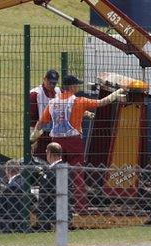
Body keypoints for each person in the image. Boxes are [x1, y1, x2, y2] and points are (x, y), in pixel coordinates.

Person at [30, 74, 126, 211]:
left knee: (55, 174)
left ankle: (54, 206)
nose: (78, 87)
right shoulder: (79, 101)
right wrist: (118, 92)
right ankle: (81, 207)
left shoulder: (52, 103)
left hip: (56, 142)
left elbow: (41, 123)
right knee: (78, 175)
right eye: (77, 85)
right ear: (73, 87)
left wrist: (33, 138)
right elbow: (101, 103)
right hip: (73, 142)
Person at [37, 142, 71, 231]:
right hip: (63, 208)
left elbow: (46, 192)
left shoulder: (52, 171)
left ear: (49, 153)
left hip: (50, 211)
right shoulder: (67, 168)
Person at [30, 69, 61, 161]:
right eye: (50, 82)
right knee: (39, 159)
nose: (52, 85)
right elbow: (31, 118)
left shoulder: (59, 92)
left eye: (54, 83)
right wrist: (33, 137)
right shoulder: (35, 94)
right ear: (44, 79)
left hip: (55, 133)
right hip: (41, 133)